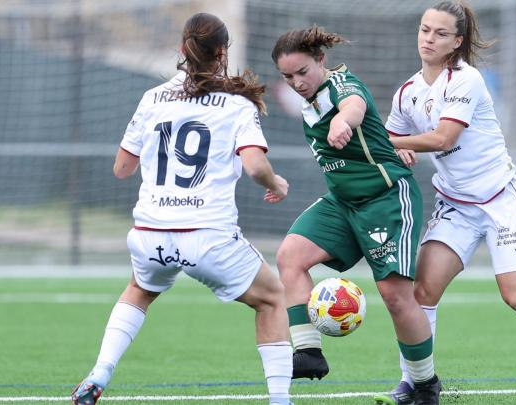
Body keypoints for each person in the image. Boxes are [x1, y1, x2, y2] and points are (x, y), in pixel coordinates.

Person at [376, 1, 516, 404]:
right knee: (422, 293)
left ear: (457, 42)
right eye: (425, 30)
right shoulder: (407, 93)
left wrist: (394, 142)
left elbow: (443, 138)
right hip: (455, 207)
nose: (428, 39)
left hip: (500, 200)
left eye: (440, 33)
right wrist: (396, 148)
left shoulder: (466, 80)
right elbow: (391, 140)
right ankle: (414, 381)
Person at [70, 13, 293, 405]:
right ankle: (280, 400)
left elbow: (121, 169)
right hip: (207, 237)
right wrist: (276, 184)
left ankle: (99, 373)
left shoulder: (152, 98)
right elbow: (256, 167)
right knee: (272, 298)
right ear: (222, 52)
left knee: (140, 289)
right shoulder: (236, 103)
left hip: (151, 234)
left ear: (182, 49)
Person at [271, 26, 441, 405]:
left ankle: (425, 384)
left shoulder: (342, 84)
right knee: (290, 256)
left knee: (395, 297)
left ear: (321, 60)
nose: (297, 82)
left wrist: (342, 121)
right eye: (288, 77)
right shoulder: (308, 101)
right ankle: (308, 352)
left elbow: (354, 106)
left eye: (303, 72)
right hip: (343, 202)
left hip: (386, 198)